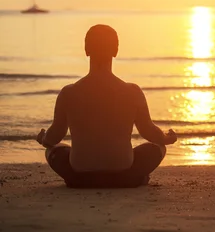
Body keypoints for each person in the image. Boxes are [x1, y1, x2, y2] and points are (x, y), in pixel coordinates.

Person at [36, 24, 177, 188]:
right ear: (115, 51)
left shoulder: (69, 92)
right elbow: (150, 133)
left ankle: (80, 181)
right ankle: (130, 179)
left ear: (86, 50)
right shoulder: (132, 91)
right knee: (157, 148)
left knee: (52, 151)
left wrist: (43, 139)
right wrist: (167, 138)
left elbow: (54, 137)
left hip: (80, 171)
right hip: (122, 169)